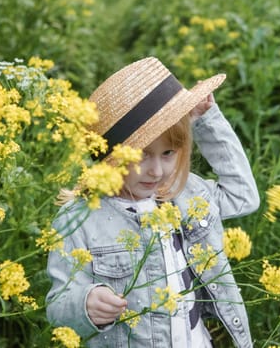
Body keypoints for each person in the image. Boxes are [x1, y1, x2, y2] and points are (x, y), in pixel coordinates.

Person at [45, 57, 260, 347]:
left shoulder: (184, 193)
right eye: (142, 155)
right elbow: (58, 305)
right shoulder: (81, 217)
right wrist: (86, 305)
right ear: (110, 158)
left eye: (168, 153)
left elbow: (243, 196)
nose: (157, 171)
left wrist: (207, 121)